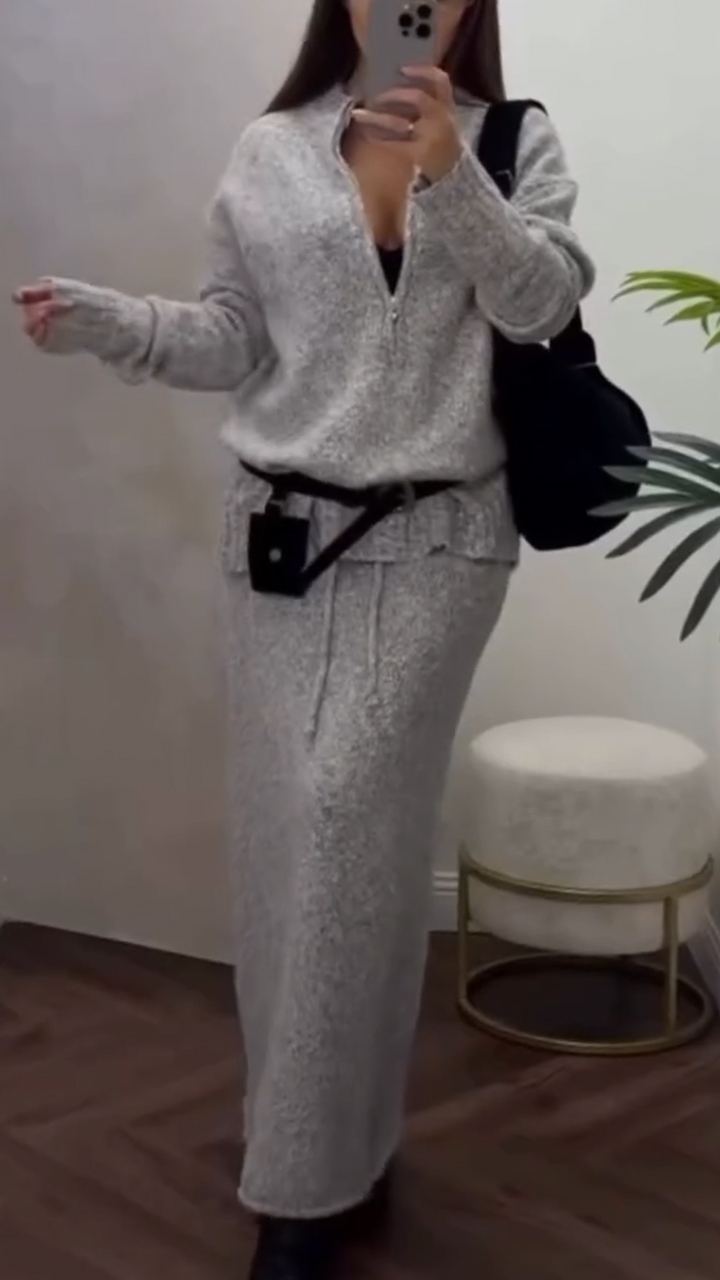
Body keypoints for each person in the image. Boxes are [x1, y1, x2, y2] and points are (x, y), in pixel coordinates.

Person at [13, 0, 594, 1275]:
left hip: (439, 545)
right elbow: (235, 335)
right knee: (299, 855)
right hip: (278, 547)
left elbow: (544, 302)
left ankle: (300, 1191)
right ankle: (346, 1147)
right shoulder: (268, 149)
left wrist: (452, 176)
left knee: (340, 827)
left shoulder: (512, 141)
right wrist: (113, 321)